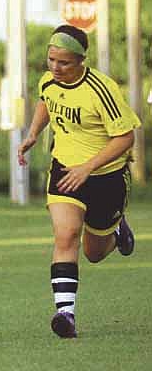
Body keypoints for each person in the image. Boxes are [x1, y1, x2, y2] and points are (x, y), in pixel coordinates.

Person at [17, 25, 141, 339]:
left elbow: (126, 136)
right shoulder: (49, 81)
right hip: (63, 171)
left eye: (64, 63)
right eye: (51, 60)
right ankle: (65, 314)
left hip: (106, 178)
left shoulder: (102, 89)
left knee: (94, 253)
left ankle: (115, 230)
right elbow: (46, 101)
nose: (55, 68)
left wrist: (88, 167)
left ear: (81, 61)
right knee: (66, 234)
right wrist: (33, 133)